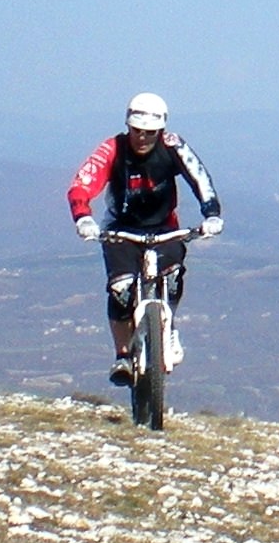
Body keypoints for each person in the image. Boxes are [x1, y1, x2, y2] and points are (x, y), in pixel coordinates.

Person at [66, 93, 223, 391]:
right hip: (121, 231)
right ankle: (123, 354)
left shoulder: (173, 146)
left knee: (173, 276)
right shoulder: (112, 149)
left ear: (160, 131)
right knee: (121, 289)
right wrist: (83, 217)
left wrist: (212, 214)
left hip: (165, 228)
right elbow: (82, 184)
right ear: (128, 126)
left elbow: (200, 179)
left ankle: (167, 324)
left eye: (149, 133)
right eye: (137, 131)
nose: (142, 138)